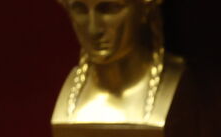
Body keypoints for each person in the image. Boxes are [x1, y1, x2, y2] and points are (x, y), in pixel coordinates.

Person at [54, 0, 184, 126]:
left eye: (109, 9)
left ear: (145, 8)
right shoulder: (70, 100)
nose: (93, 29)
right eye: (80, 9)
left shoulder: (173, 84)